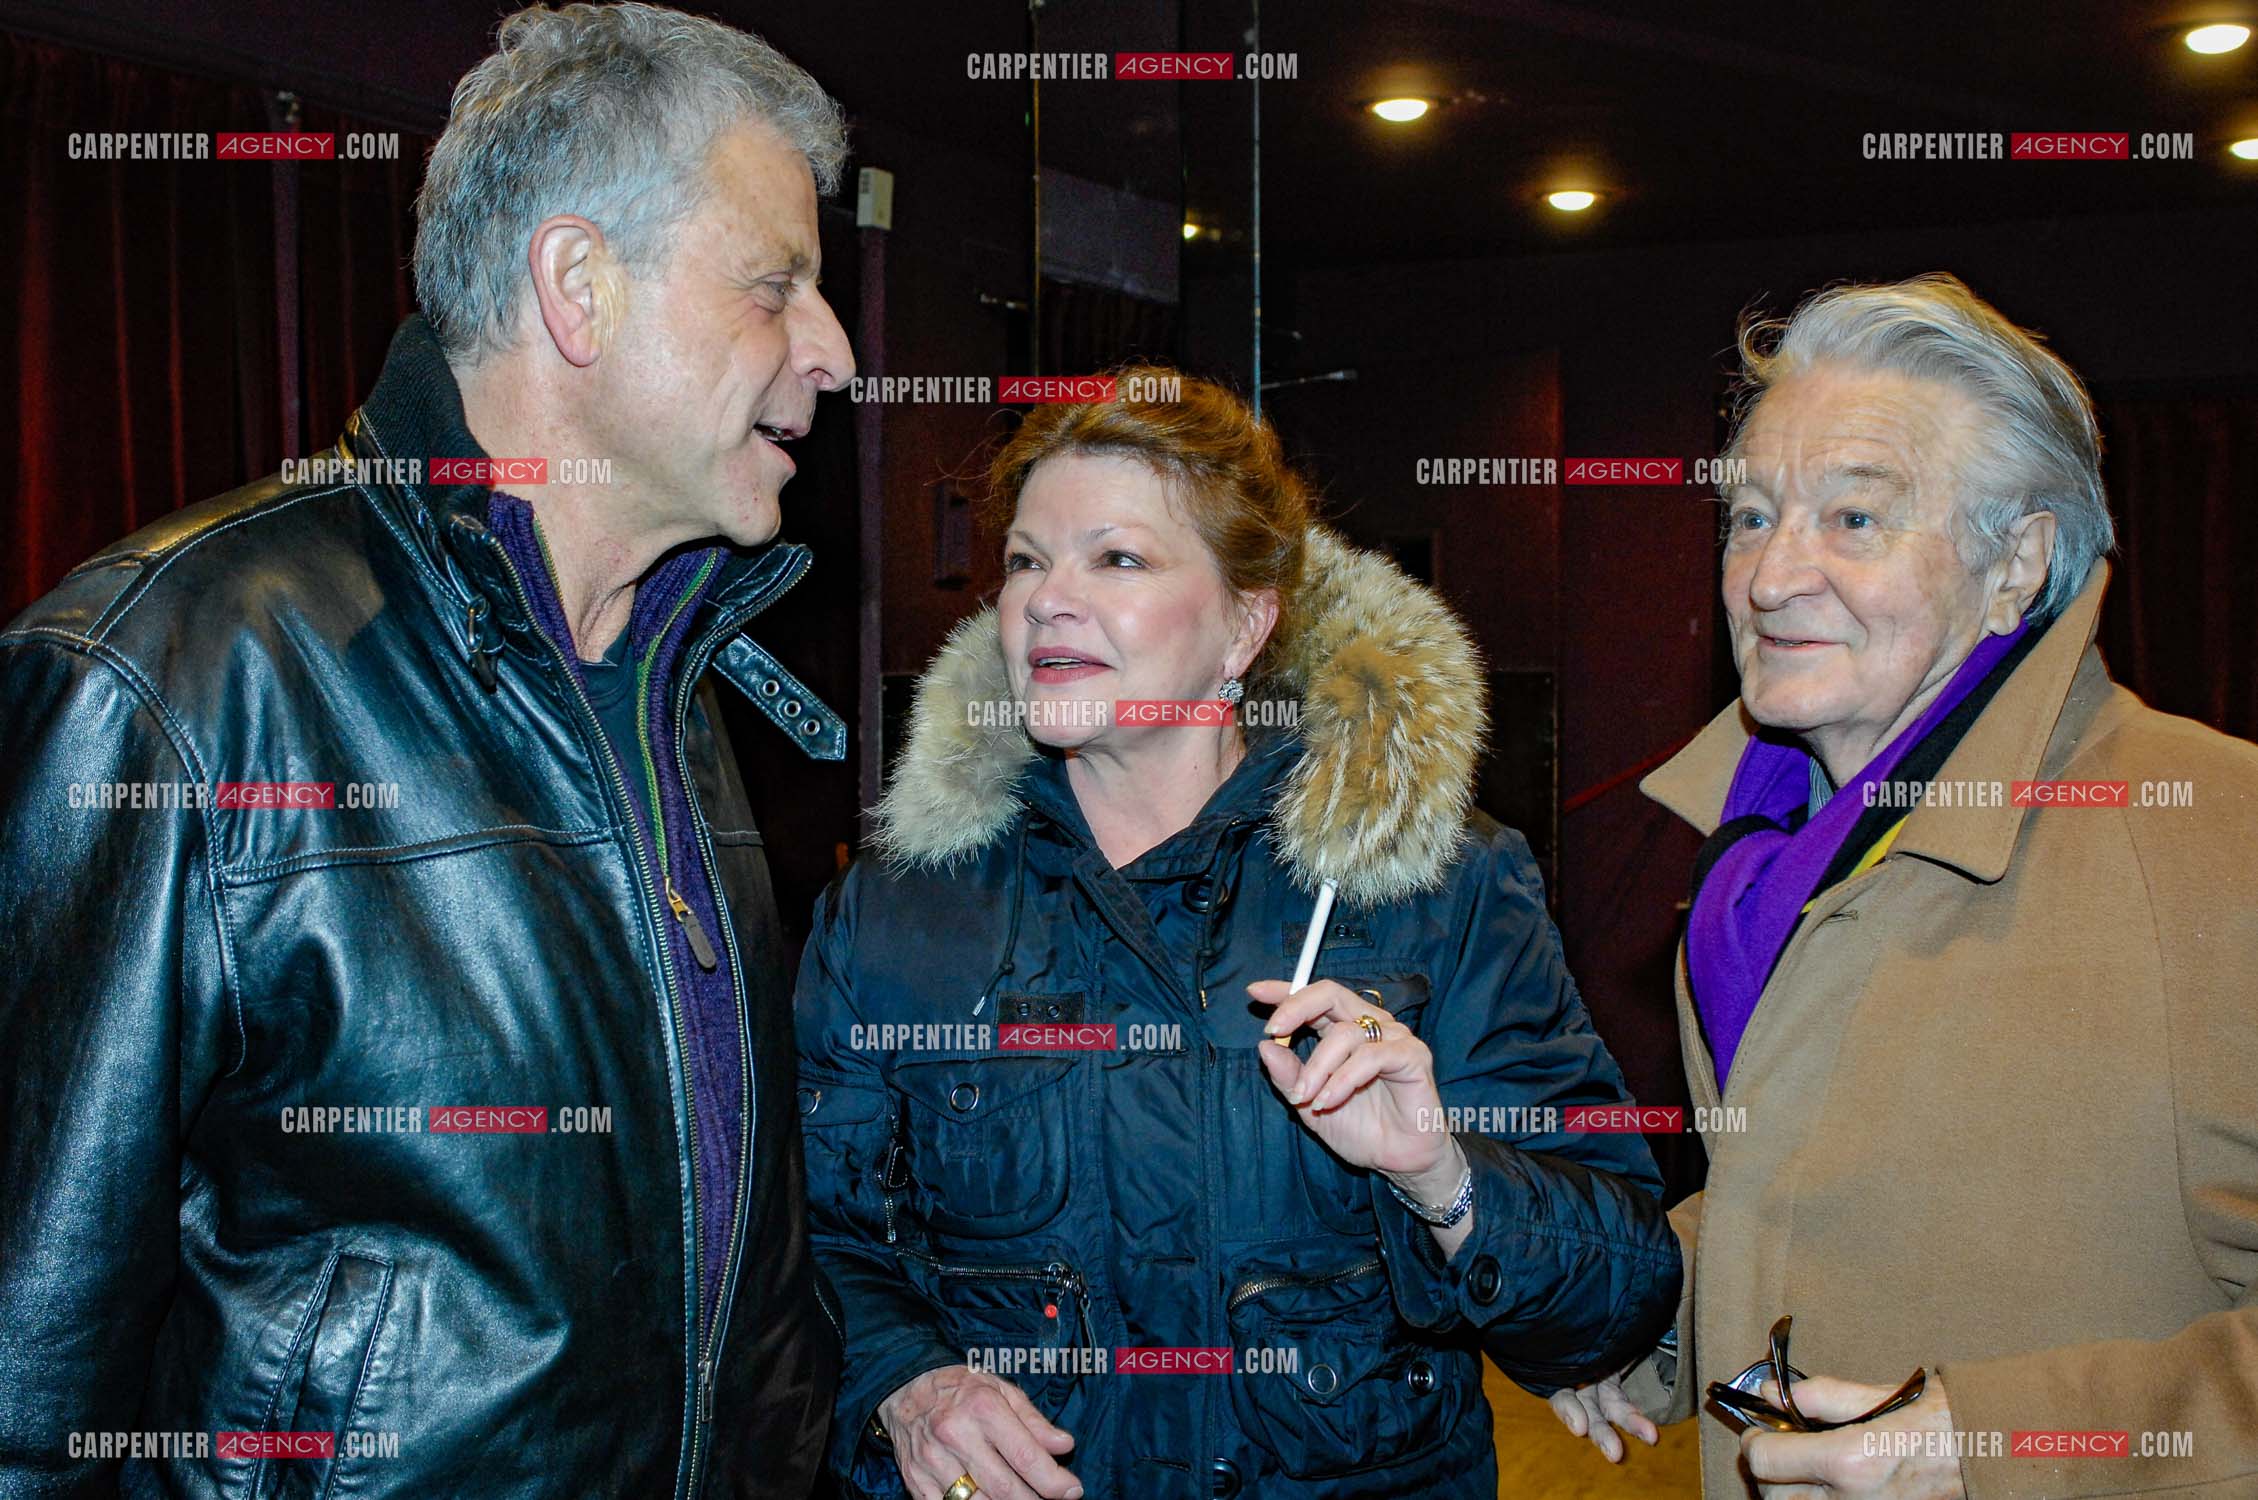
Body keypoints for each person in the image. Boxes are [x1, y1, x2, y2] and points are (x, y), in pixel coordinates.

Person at [0, 5, 855, 1495]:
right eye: (776, 285)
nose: (834, 353)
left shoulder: (670, 682)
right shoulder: (171, 675)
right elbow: (26, 1381)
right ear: (579, 287)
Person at [797, 368, 1682, 1500]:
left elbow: (1614, 1297)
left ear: (1244, 625)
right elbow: (811, 1243)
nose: (1045, 600)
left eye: (1115, 559)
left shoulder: (1431, 887)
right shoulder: (896, 911)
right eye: (1025, 560)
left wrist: (1443, 1176)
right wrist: (904, 1381)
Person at [1547, 273, 2258, 1497]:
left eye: (1853, 521)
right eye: (1750, 516)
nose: (1769, 579)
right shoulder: (1758, 853)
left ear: (2015, 564)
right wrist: (1635, 1316)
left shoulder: (2213, 834)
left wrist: (1996, 1442)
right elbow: (1824, 1192)